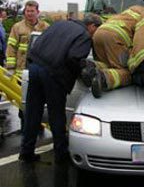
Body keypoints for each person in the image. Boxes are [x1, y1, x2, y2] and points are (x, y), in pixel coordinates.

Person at [18, 14, 102, 163]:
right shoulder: (84, 36)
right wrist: (82, 72)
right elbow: (73, 58)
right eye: (97, 30)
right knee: (56, 115)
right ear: (92, 26)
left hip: (35, 67)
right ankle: (61, 154)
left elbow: (38, 43)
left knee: (33, 112)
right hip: (54, 74)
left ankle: (26, 152)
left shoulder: (60, 24)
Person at [82, 5, 144, 98]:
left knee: (107, 64)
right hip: (115, 38)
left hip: (98, 34)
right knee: (127, 72)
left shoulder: (127, 12)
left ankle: (91, 68)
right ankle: (103, 78)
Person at [6, 0, 49, 78]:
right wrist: (10, 67)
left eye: (32, 11)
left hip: (39, 71)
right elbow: (11, 47)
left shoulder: (45, 27)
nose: (29, 13)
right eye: (27, 11)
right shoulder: (17, 27)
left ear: (37, 12)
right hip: (20, 71)